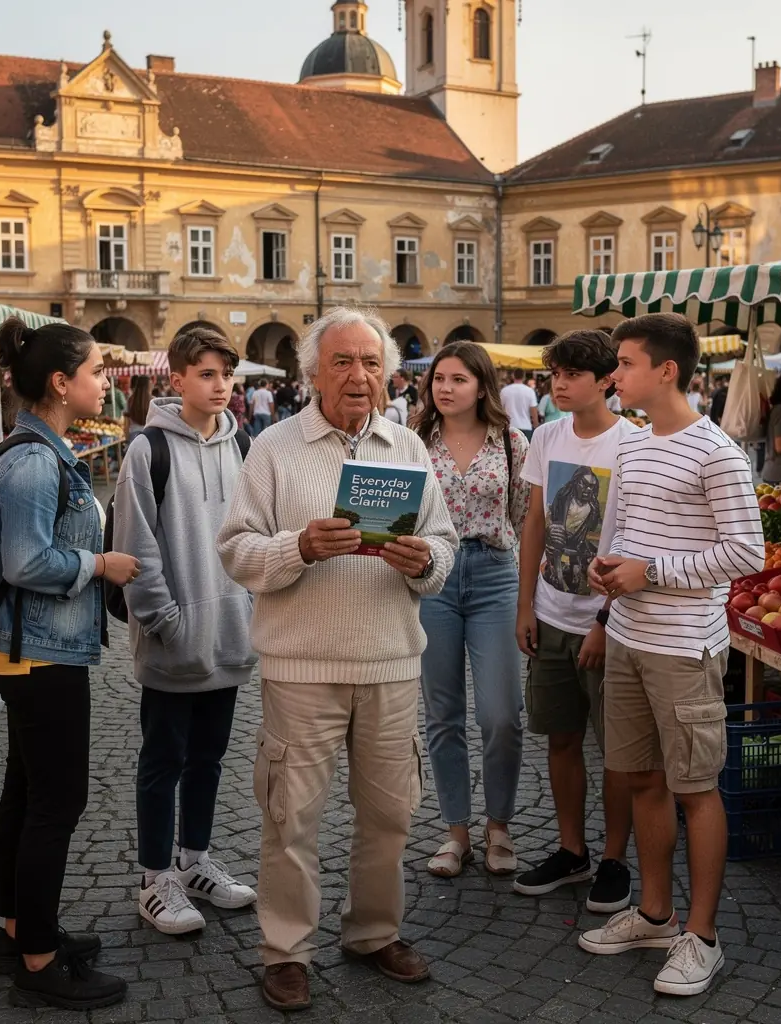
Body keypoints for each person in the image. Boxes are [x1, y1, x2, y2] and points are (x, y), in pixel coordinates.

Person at [217, 306, 458, 1012]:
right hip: (302, 669)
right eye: (344, 362)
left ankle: (374, 932)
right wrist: (299, 547)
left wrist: (424, 561)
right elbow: (235, 549)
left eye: (373, 363)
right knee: (290, 817)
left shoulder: (407, 448)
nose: (360, 376)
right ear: (313, 372)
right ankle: (287, 950)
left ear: (388, 373)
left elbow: (443, 551)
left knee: (390, 816)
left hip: (390, 663)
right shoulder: (273, 447)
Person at [579, 313, 763, 998]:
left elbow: (747, 552)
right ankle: (655, 913)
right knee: (641, 780)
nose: (614, 375)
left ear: (666, 371)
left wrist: (648, 571)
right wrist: (608, 581)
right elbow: (623, 527)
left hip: (684, 646)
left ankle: (702, 935)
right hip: (628, 635)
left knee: (694, 788)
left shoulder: (716, 451)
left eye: (624, 363)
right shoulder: (631, 443)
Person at [0, 317, 140, 1010]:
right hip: (38, 654)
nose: (105, 383)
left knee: (26, 794)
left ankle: (21, 930)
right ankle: (40, 961)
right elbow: (25, 562)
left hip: (33, 650)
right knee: (56, 803)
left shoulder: (42, 451)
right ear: (60, 382)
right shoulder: (31, 462)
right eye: (98, 371)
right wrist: (101, 563)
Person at [114, 326, 258, 937]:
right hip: (176, 640)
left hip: (229, 635)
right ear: (177, 380)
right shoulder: (149, 450)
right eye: (206, 374)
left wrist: (247, 611)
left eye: (227, 374)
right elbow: (136, 546)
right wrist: (166, 621)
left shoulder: (243, 446)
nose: (220, 385)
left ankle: (195, 860)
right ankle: (155, 878)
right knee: (163, 759)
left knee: (209, 757)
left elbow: (256, 530)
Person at [515, 330, 635, 913]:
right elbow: (534, 523)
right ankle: (572, 850)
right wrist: (524, 607)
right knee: (560, 738)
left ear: (607, 379)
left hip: (609, 622)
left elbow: (637, 541)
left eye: (571, 374)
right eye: (553, 374)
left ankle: (614, 859)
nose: (558, 384)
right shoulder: (546, 435)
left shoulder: (633, 444)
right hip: (550, 611)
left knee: (618, 751)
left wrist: (605, 623)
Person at [413, 342, 529, 878]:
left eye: (458, 379)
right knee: (443, 715)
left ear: (482, 386)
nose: (446, 388)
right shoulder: (413, 442)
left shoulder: (512, 442)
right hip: (432, 578)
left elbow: (526, 517)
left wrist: (532, 593)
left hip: (494, 575)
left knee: (501, 714)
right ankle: (456, 829)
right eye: (439, 378)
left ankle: (499, 826)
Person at [500, 368, 539, 439]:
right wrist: (536, 425)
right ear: (524, 377)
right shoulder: (530, 391)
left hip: (509, 426)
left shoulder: (505, 391)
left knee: (508, 450)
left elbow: (500, 408)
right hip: (526, 426)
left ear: (513, 376)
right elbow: (533, 410)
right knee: (526, 449)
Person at [125, 374, 152, 441]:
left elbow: (126, 422)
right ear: (148, 386)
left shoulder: (130, 400)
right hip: (149, 435)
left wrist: (127, 437)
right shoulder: (153, 401)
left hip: (134, 435)